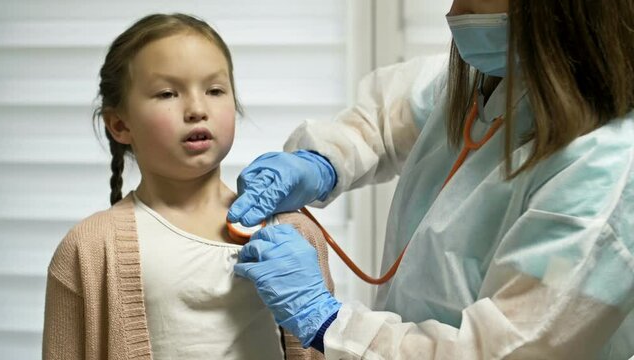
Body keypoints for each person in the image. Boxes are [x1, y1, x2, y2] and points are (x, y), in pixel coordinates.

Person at [229, 0, 634, 358]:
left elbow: (505, 351)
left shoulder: (603, 173)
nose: (453, 12)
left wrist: (328, 322)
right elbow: (386, 119)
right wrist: (321, 161)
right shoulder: (491, 79)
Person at [42, 13, 334, 360]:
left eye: (214, 90)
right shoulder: (88, 250)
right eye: (167, 93)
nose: (197, 109)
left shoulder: (296, 234)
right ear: (120, 124)